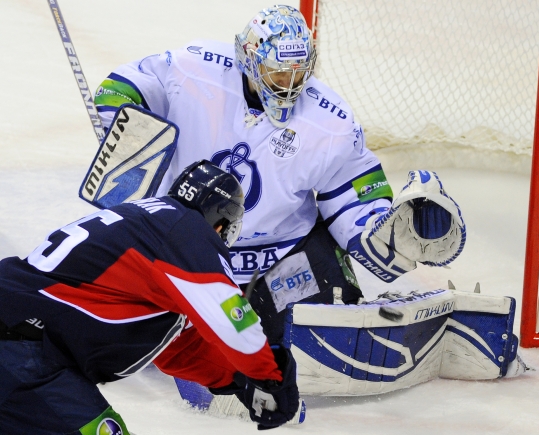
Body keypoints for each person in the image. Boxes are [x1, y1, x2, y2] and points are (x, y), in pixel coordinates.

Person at [93, 5, 465, 344]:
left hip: (280, 258)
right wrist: (124, 115)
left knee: (328, 327)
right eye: (278, 71)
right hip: (185, 253)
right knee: (124, 337)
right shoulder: (194, 69)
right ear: (250, 59)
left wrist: (383, 232)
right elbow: (128, 84)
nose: (289, 83)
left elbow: (352, 194)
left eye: (298, 71)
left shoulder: (330, 120)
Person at [0, 160, 300, 434]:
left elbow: (178, 349)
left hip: (20, 345)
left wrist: (240, 380)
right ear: (220, 223)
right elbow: (228, 311)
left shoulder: (148, 228)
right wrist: (269, 375)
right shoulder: (184, 229)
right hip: (24, 351)